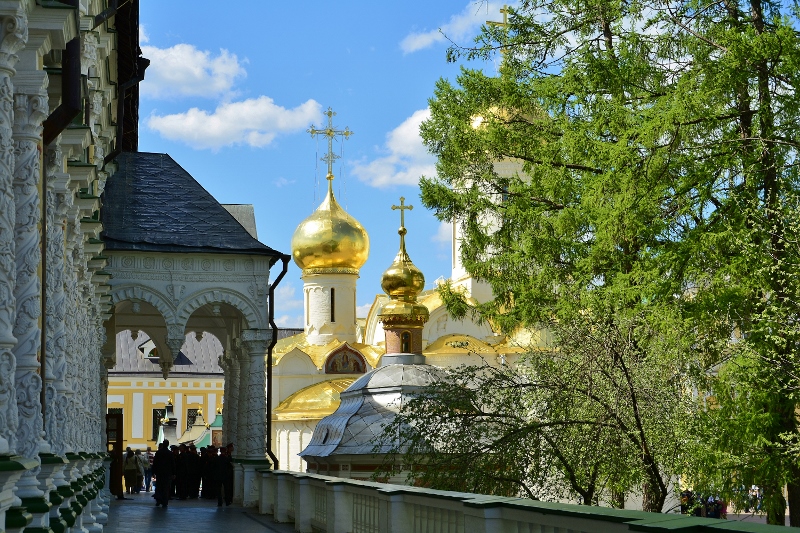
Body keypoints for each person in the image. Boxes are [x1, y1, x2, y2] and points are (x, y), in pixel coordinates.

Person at [152, 440, 176, 507]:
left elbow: (155, 463)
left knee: (159, 486)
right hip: (167, 473)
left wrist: (153, 472)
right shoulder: (170, 453)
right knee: (166, 487)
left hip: (159, 473)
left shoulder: (158, 453)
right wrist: (174, 473)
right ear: (168, 445)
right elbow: (172, 464)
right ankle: (165, 501)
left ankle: (158, 500)